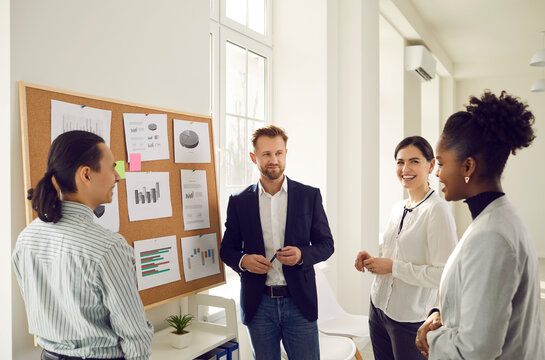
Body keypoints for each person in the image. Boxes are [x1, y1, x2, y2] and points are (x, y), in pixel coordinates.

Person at [415, 91, 545, 359]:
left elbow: (476, 350)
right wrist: (441, 315)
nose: (436, 172)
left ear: (468, 166)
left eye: (440, 163)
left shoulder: (491, 236)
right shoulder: (499, 219)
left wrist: (432, 337)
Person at [13, 131, 154, 360]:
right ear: (86, 175)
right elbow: (134, 335)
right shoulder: (108, 247)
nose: (117, 177)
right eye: (112, 168)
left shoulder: (27, 238)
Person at [220, 125, 334, 360]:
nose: (274, 160)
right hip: (258, 304)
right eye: (267, 154)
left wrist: (302, 255)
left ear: (285, 153)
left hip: (299, 303)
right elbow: (227, 250)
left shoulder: (309, 196)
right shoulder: (239, 201)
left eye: (279, 153)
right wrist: (244, 261)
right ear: (254, 157)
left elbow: (327, 244)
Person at [354, 136, 457, 360]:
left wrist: (393, 267)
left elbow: (444, 276)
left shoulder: (437, 211)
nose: (405, 168)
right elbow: (394, 256)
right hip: (378, 308)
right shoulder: (398, 208)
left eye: (414, 162)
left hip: (408, 319)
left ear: (431, 165)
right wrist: (373, 261)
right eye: (400, 162)